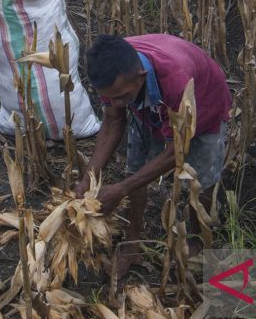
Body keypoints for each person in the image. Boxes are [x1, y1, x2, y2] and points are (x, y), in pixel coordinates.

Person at [74, 34, 232, 280]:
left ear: (140, 77)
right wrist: (89, 177)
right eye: (109, 97)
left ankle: (197, 240)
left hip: (203, 105)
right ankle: (132, 244)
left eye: (121, 96)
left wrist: (121, 190)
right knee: (135, 170)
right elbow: (113, 120)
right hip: (150, 106)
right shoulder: (113, 70)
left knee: (200, 183)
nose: (115, 102)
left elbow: (176, 152)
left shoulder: (177, 80)